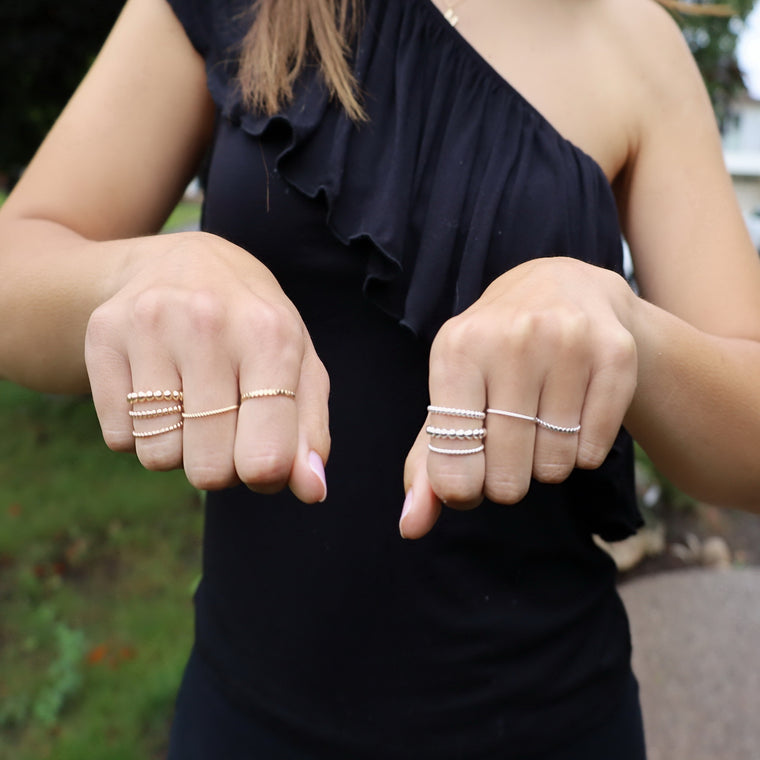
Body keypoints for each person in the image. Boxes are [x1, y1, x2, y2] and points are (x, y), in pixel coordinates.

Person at [1, 0, 760, 756]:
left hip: (550, 718)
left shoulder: (634, 42)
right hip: (249, 721)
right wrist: (142, 271)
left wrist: (626, 329)